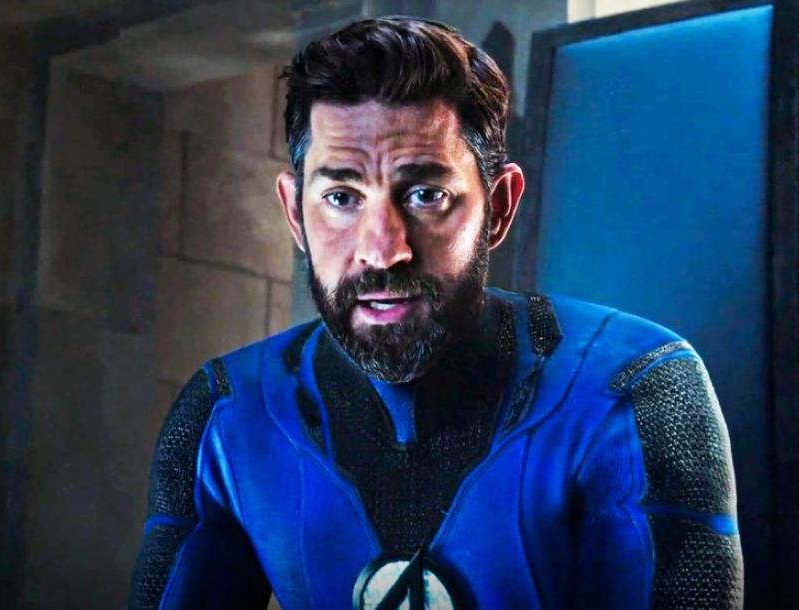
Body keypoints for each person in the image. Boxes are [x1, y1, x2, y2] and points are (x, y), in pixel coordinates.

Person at [128, 16, 742, 610]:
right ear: (295, 214)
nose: (383, 249)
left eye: (426, 195)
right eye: (341, 197)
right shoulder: (224, 415)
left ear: (499, 206)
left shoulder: (635, 392)